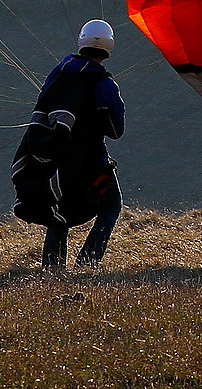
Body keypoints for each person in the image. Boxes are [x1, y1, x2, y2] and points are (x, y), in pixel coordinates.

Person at [21, 20, 127, 270]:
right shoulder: (104, 84)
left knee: (60, 209)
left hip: (54, 157)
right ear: (109, 46)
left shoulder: (59, 72)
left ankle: (52, 268)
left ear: (81, 41)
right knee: (111, 206)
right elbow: (116, 131)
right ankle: (87, 263)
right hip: (90, 162)